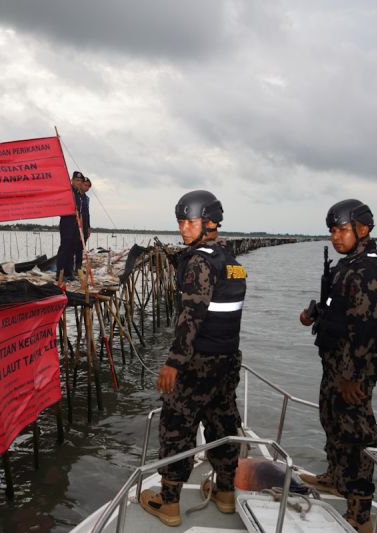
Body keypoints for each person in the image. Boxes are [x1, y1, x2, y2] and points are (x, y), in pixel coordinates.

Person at [139, 190, 246, 527]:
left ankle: (168, 501)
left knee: (176, 426)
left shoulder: (198, 262)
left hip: (197, 362)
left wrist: (174, 362)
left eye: (190, 221)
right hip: (226, 360)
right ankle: (226, 493)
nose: (183, 228)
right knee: (222, 423)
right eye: (180, 222)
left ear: (210, 222)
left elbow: (192, 317)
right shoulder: (230, 261)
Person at [298, 199, 377, 533]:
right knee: (330, 419)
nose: (335, 237)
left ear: (363, 229)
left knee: (354, 434)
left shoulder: (370, 267)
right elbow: (335, 306)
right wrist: (313, 314)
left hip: (354, 369)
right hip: (336, 363)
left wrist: (353, 377)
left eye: (342, 230)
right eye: (332, 231)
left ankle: (360, 513)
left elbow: (366, 326)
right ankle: (336, 477)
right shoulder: (346, 265)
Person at [55, 171, 85, 281]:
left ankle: (69, 273)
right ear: (72, 180)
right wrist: (72, 212)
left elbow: (80, 210)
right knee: (65, 247)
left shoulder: (78, 194)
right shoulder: (67, 192)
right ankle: (60, 273)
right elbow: (60, 208)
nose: (78, 183)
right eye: (77, 180)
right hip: (67, 221)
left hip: (75, 224)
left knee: (72, 248)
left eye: (80, 181)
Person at [73, 176, 92, 273]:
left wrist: (88, 227)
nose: (87, 188)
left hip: (84, 224)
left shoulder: (87, 198)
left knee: (81, 247)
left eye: (89, 186)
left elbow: (87, 213)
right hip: (76, 224)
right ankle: (72, 267)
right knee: (74, 246)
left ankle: (78, 268)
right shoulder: (76, 196)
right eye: (85, 185)